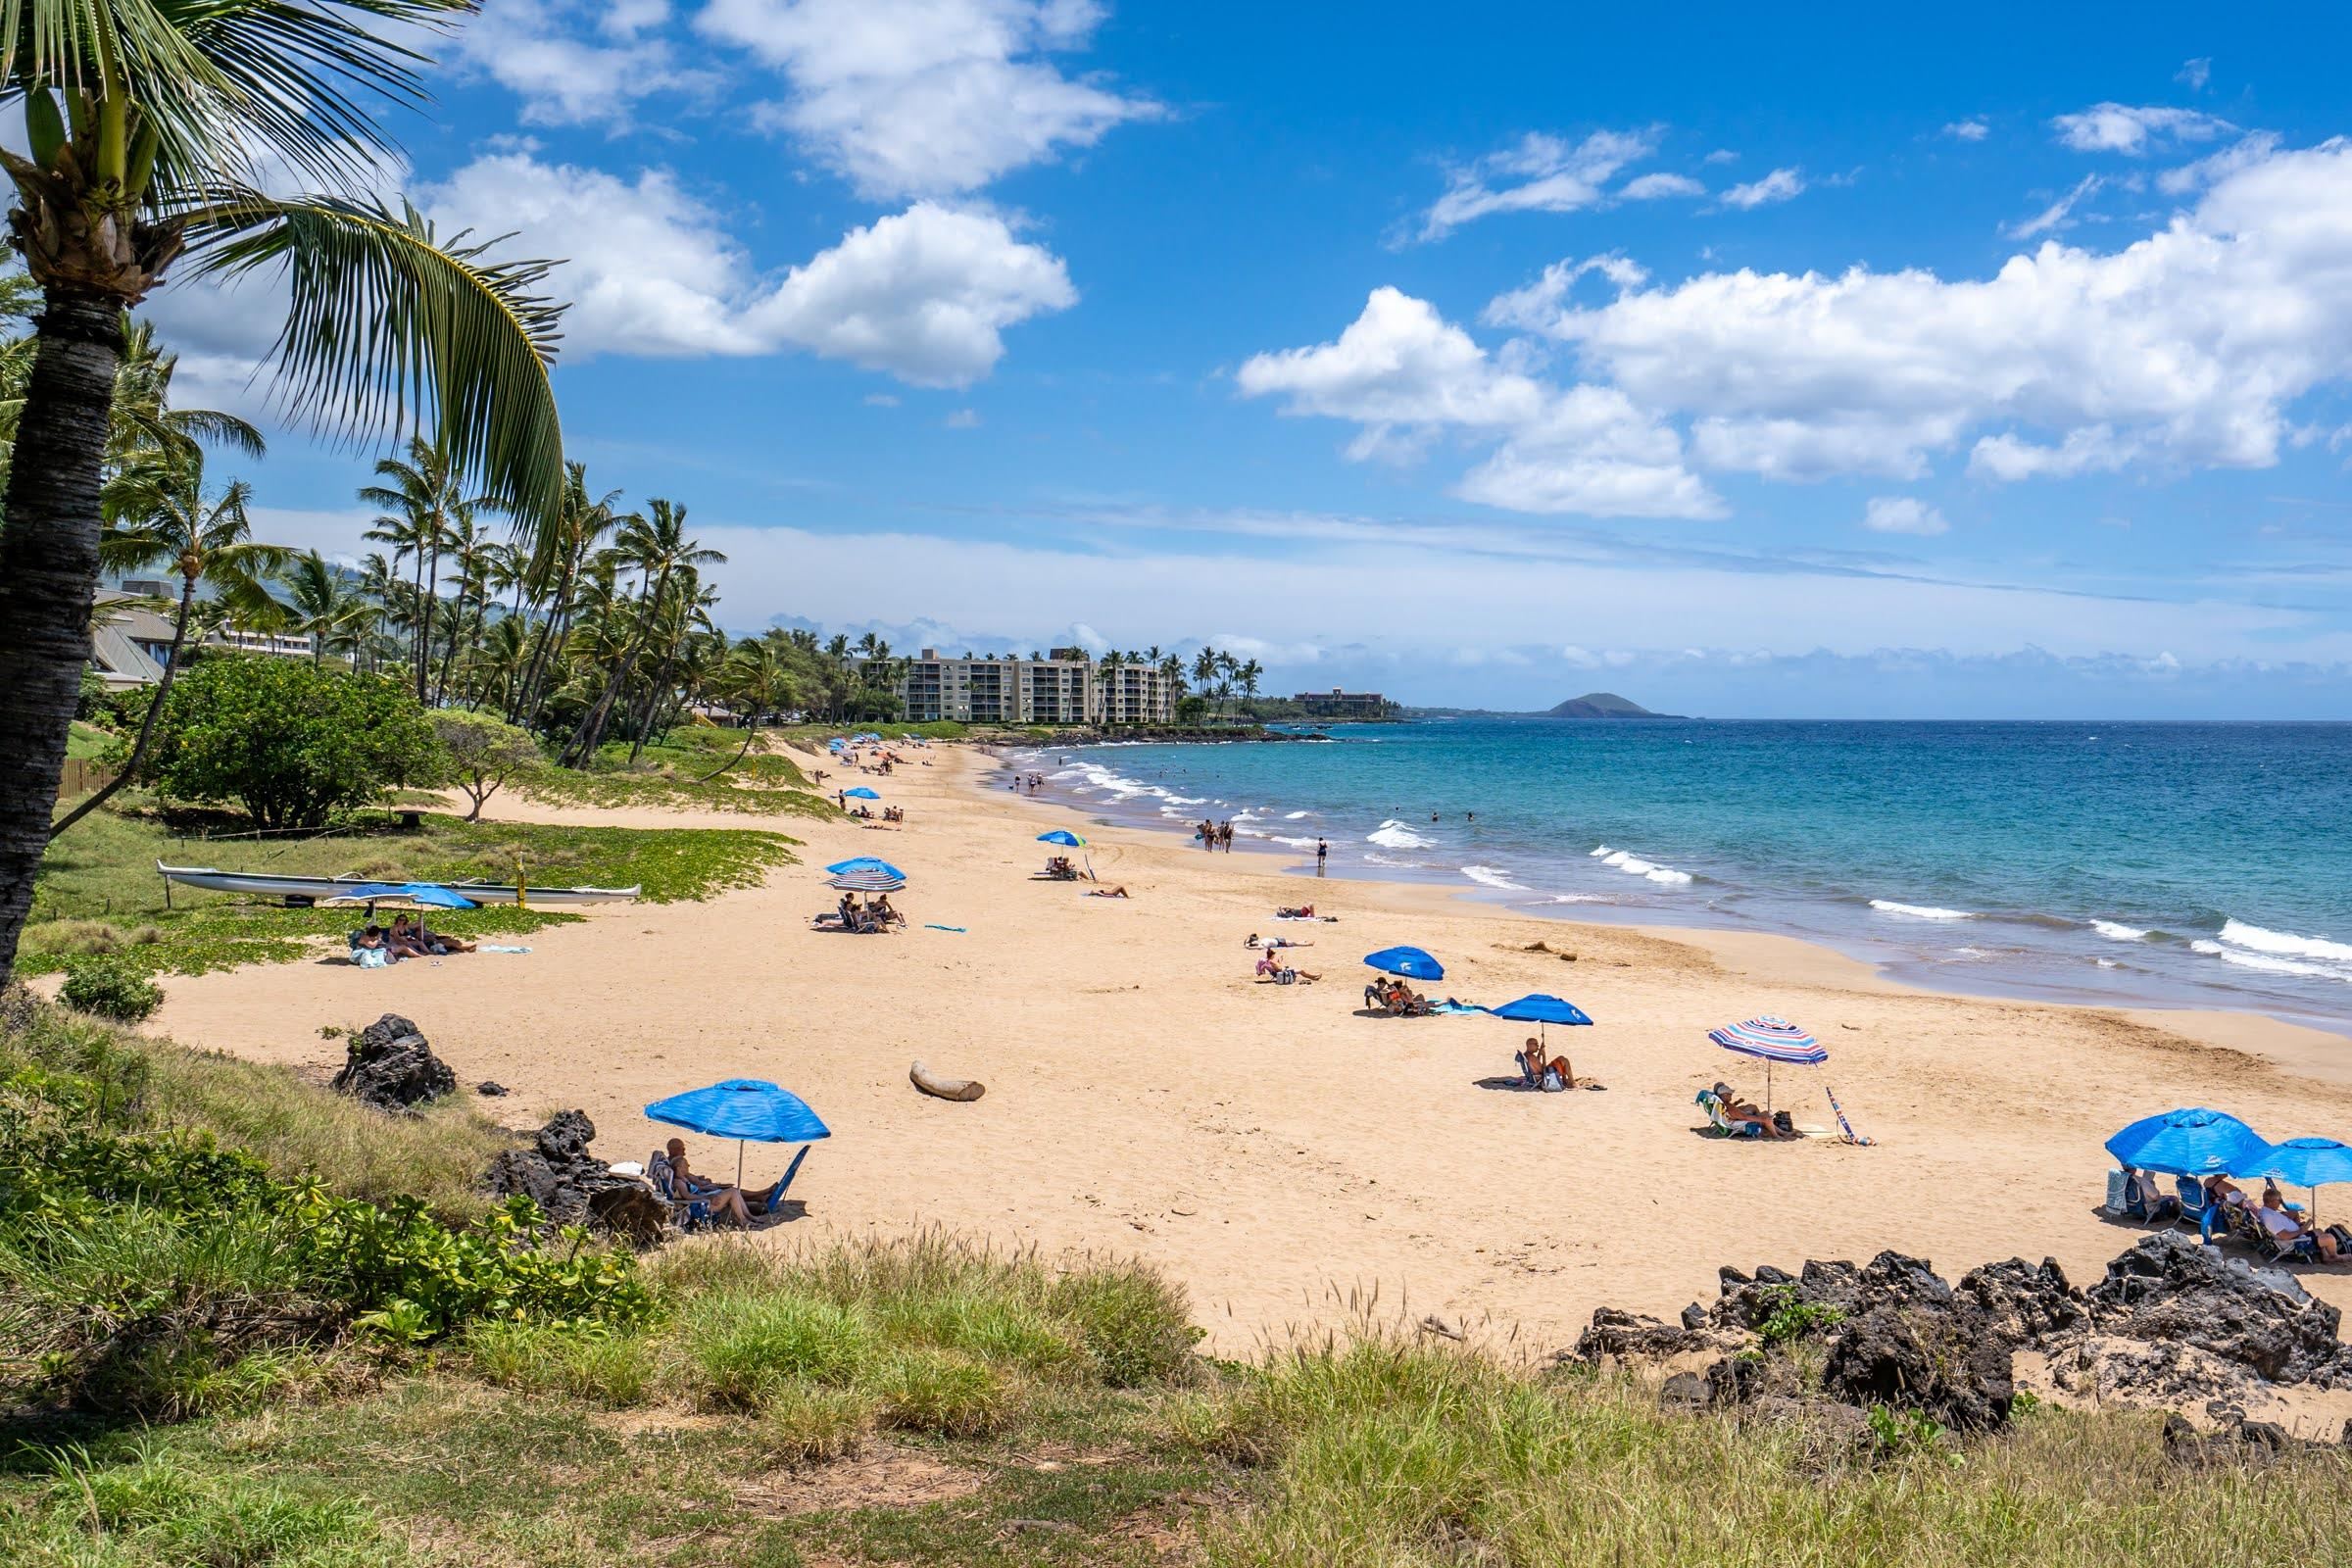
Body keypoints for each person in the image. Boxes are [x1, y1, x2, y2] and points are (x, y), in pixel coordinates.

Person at [661, 1138, 753, 1225]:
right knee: (732, 1192)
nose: (688, 1165)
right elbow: (688, 1196)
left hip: (703, 1201)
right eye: (686, 1165)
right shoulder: (679, 1182)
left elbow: (694, 1189)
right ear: (679, 1168)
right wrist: (708, 1198)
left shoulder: (683, 1179)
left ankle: (748, 1217)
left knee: (733, 1191)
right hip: (701, 1206)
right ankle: (744, 1220)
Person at [2251, 1191, 2340, 1261]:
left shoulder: (2266, 1211)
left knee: (2319, 1231)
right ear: (2271, 1202)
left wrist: (2296, 1226)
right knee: (2330, 1238)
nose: (2281, 1203)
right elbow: (2285, 1236)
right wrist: (2301, 1231)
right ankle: (2334, 1257)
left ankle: (2325, 1256)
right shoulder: (2270, 1218)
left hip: (2297, 1236)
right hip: (2295, 1242)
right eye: (2280, 1200)